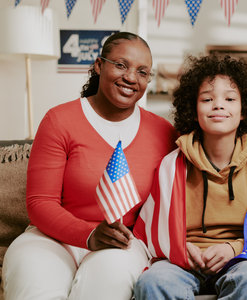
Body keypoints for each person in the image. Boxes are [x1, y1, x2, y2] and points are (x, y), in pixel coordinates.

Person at [2, 32, 178, 299]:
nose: (131, 77)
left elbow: (205, 154)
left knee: (110, 278)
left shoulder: (164, 132)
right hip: (51, 237)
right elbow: (40, 202)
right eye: (121, 65)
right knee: (33, 275)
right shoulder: (58, 120)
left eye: (142, 72)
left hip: (123, 242)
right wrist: (88, 234)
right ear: (99, 65)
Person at [133, 55, 247, 300]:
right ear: (194, 109)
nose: (218, 105)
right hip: (183, 259)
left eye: (230, 99)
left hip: (241, 257)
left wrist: (234, 248)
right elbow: (152, 227)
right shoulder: (172, 165)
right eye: (207, 99)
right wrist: (180, 248)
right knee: (153, 280)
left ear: (244, 111)